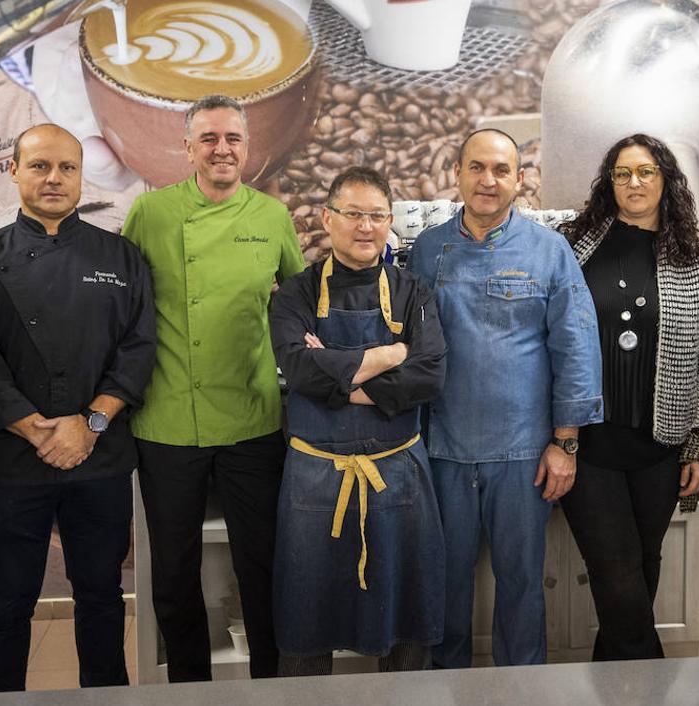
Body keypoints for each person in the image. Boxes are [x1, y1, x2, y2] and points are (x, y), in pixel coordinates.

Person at [0, 124, 157, 692]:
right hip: (14, 463)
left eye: (66, 167)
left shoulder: (122, 256)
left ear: (81, 175)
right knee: (7, 602)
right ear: (12, 172)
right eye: (40, 166)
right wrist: (33, 427)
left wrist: (90, 423)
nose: (54, 178)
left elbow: (139, 349)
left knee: (102, 598)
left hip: (101, 457)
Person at [121, 94, 303, 682]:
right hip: (168, 418)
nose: (221, 149)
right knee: (174, 572)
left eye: (232, 139)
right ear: (188, 148)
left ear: (248, 148)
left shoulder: (272, 217)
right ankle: (188, 689)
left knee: (264, 566)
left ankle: (270, 685)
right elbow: (123, 306)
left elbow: (299, 306)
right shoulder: (149, 213)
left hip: (252, 416)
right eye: (209, 139)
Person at [408, 128, 603, 668]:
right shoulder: (427, 250)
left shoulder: (550, 251)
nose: (487, 181)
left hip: (523, 454)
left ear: (520, 180)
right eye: (476, 168)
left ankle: (524, 691)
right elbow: (406, 345)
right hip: (443, 449)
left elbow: (576, 346)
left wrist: (566, 442)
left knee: (521, 587)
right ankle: (444, 689)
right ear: (459, 174)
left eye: (500, 170)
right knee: (443, 587)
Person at [269, 166, 446, 675]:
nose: (365, 227)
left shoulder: (415, 291)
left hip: (398, 476)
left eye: (377, 216)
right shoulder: (298, 294)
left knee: (407, 616)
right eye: (353, 215)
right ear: (328, 218)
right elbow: (299, 369)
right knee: (306, 613)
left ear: (390, 221)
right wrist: (393, 354)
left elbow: (430, 375)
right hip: (314, 479)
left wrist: (340, 375)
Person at [556, 134, 699, 661]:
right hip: (588, 444)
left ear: (666, 180)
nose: (635, 183)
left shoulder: (696, 259)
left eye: (646, 172)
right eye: (623, 173)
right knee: (617, 571)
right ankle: (651, 682)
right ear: (609, 183)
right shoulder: (571, 245)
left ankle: (615, 682)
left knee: (642, 566)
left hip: (661, 446)